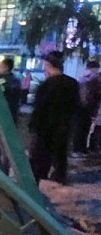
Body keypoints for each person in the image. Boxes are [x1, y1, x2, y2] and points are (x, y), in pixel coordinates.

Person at [28, 51, 79, 185]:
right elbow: (76, 105)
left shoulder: (46, 86)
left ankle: (39, 178)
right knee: (60, 153)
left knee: (41, 155)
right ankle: (59, 175)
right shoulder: (72, 84)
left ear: (49, 65)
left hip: (45, 127)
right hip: (64, 125)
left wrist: (33, 125)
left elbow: (39, 108)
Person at [71, 60, 101, 157]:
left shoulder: (82, 78)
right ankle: (79, 149)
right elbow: (92, 94)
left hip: (81, 106)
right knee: (82, 129)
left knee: (82, 128)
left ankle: (80, 149)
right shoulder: (92, 78)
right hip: (86, 106)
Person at [0, 58, 22, 175]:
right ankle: (5, 171)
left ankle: (1, 172)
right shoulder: (17, 81)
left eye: (0, 66)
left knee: (1, 147)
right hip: (13, 117)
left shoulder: (2, 81)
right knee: (7, 148)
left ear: (6, 67)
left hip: (2, 117)